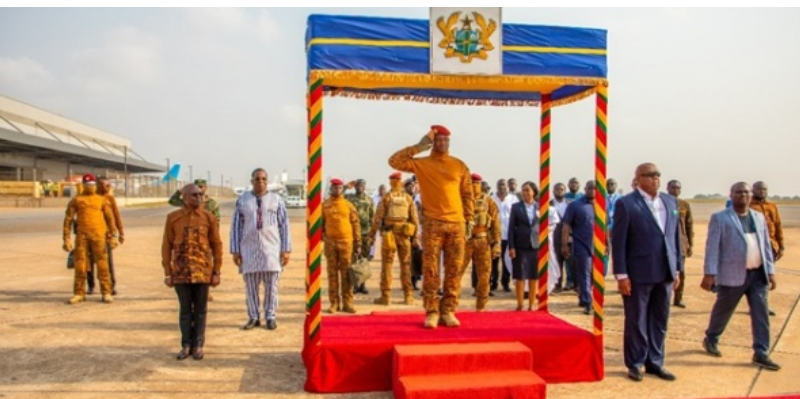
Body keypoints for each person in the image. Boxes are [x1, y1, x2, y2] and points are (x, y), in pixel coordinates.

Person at [389, 125, 473, 329]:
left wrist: (469, 219)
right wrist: (420, 145)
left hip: (456, 224)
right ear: (432, 143)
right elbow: (394, 161)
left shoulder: (459, 165)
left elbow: (467, 194)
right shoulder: (422, 164)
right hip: (432, 223)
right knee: (431, 270)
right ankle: (433, 311)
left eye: (445, 140)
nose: (442, 143)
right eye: (438, 140)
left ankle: (449, 310)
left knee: (453, 270)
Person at [612, 163, 682, 382]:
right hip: (639, 273)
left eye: (657, 175)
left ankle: (655, 362)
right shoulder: (627, 204)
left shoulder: (670, 201)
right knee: (637, 320)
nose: (655, 178)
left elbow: (675, 238)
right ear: (638, 179)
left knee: (660, 320)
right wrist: (621, 274)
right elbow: (619, 242)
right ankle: (635, 362)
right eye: (650, 175)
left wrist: (677, 268)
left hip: (665, 272)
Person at [701, 182, 779, 371]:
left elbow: (765, 247)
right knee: (723, 311)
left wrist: (770, 271)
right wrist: (710, 273)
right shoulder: (721, 218)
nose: (743, 195)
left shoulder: (759, 218)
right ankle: (711, 338)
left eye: (746, 192)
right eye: (738, 192)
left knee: (761, 314)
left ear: (750, 195)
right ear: (731, 195)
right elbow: (712, 247)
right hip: (733, 275)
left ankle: (761, 352)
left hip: (757, 275)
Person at [162, 184, 223, 360]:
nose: (199, 197)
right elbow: (167, 245)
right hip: (181, 272)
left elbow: (216, 245)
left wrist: (217, 271)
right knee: (185, 310)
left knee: (201, 310)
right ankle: (186, 345)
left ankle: (198, 345)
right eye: (195, 195)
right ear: (185, 197)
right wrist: (168, 272)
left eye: (201, 194)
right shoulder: (173, 218)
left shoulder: (208, 217)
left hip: (203, 271)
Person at [231, 168, 291, 331]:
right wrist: (235, 250)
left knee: (272, 287)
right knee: (251, 287)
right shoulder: (242, 200)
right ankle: (254, 317)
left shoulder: (276, 200)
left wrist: (285, 250)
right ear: (252, 181)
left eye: (264, 179)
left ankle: (270, 316)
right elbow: (236, 226)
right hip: (249, 250)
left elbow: (284, 226)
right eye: (257, 179)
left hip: (271, 250)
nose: (261, 182)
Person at [62, 173, 118, 304]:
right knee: (80, 265)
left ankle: (106, 292)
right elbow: (68, 220)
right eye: (87, 185)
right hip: (82, 237)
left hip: (99, 236)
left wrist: (114, 236)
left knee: (103, 265)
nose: (90, 187)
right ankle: (79, 293)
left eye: (92, 185)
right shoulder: (77, 200)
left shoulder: (101, 200)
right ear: (83, 186)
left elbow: (110, 219)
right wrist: (66, 238)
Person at [366, 172, 419, 306]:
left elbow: (377, 218)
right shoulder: (408, 198)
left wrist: (371, 236)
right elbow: (415, 219)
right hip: (405, 235)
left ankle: (386, 296)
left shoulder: (386, 198)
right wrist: (415, 238)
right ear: (400, 182)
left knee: (387, 266)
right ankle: (409, 296)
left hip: (389, 235)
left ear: (391, 182)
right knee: (406, 266)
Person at [461, 173, 501, 310]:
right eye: (470, 183)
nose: (473, 186)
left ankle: (481, 305)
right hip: (464, 242)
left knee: (484, 275)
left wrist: (497, 243)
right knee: (455, 274)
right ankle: (450, 305)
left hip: (483, 241)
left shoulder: (488, 201)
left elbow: (495, 223)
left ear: (480, 185)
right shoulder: (460, 200)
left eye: (476, 183)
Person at [321, 178, 361, 314]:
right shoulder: (325, 205)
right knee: (332, 274)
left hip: (346, 243)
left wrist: (358, 242)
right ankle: (334, 303)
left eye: (339, 188)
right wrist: (323, 237)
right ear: (331, 188)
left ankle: (348, 303)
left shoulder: (348, 205)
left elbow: (355, 224)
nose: (337, 190)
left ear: (342, 189)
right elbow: (321, 224)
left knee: (346, 274)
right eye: (334, 188)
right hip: (331, 243)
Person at [562, 180, 597, 315]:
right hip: (582, 245)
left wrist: (607, 243)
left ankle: (583, 295)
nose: (592, 191)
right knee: (584, 273)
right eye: (590, 188)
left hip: (598, 246)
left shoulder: (602, 205)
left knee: (597, 275)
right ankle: (588, 302)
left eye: (595, 189)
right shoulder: (575, 205)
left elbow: (605, 226)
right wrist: (564, 244)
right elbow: (566, 225)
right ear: (585, 188)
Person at [749, 181, 783, 317]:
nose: (762, 191)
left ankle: (762, 305)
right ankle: (755, 306)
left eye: (764, 189)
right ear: (753, 190)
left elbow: (778, 226)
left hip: (771, 246)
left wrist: (781, 245)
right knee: (754, 278)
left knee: (766, 277)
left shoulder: (772, 207)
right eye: (759, 189)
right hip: (755, 247)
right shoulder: (749, 206)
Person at [87, 176, 124, 296]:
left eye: (109, 185)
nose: (107, 188)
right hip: (91, 235)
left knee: (108, 263)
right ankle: (91, 285)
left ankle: (111, 286)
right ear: (98, 186)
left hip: (106, 236)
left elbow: (116, 216)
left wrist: (120, 232)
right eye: (104, 185)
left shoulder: (110, 199)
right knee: (89, 262)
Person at [508, 181, 540, 311]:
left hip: (535, 245)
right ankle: (520, 304)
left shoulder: (540, 207)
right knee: (520, 275)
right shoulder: (516, 207)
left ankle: (532, 304)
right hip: (520, 245)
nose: (525, 193)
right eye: (523, 190)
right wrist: (511, 247)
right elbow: (511, 228)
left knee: (533, 276)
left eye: (528, 190)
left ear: (534, 192)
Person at [667, 179, 693, 308]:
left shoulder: (684, 205)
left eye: (678, 188)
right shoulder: (662, 203)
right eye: (673, 188)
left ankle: (678, 298)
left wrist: (690, 245)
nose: (675, 190)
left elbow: (689, 225)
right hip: (666, 244)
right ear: (668, 188)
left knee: (681, 273)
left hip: (681, 245)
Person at [346, 179, 375, 295]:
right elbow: (336, 196)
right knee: (353, 260)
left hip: (366, 233)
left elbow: (373, 217)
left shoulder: (369, 200)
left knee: (364, 260)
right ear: (355, 187)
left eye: (362, 185)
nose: (360, 187)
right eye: (358, 185)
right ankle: (355, 285)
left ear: (365, 187)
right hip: (352, 233)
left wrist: (372, 235)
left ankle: (363, 285)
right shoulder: (349, 198)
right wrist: (345, 187)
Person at [492, 178, 519, 293]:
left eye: (504, 185)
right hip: (494, 236)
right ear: (497, 186)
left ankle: (505, 283)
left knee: (507, 260)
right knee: (494, 261)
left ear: (507, 186)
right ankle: (493, 283)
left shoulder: (513, 199)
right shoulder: (491, 199)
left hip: (509, 235)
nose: (502, 187)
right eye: (500, 185)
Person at [550, 182, 574, 292]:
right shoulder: (548, 204)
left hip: (569, 237)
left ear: (565, 191)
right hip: (554, 237)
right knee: (557, 262)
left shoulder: (571, 204)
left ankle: (574, 285)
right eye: (557, 189)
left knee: (572, 262)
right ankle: (557, 285)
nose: (559, 191)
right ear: (553, 191)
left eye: (561, 189)